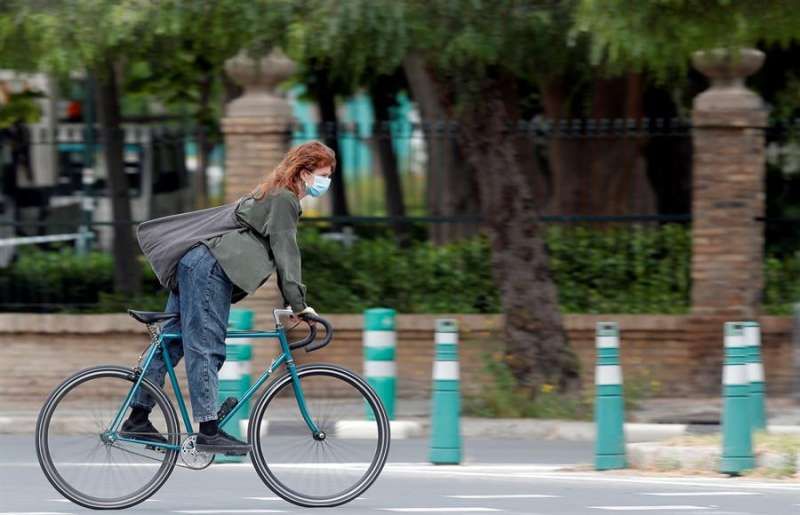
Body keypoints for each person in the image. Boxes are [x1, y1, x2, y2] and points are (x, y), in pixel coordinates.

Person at [121, 140, 336, 454]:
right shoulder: (283, 199)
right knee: (206, 345)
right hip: (209, 268)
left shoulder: (272, 193)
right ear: (304, 172)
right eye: (323, 174)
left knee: (173, 341)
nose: (325, 182)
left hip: (197, 265)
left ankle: (137, 418)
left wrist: (294, 302)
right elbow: (287, 253)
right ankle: (208, 429)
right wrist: (300, 305)